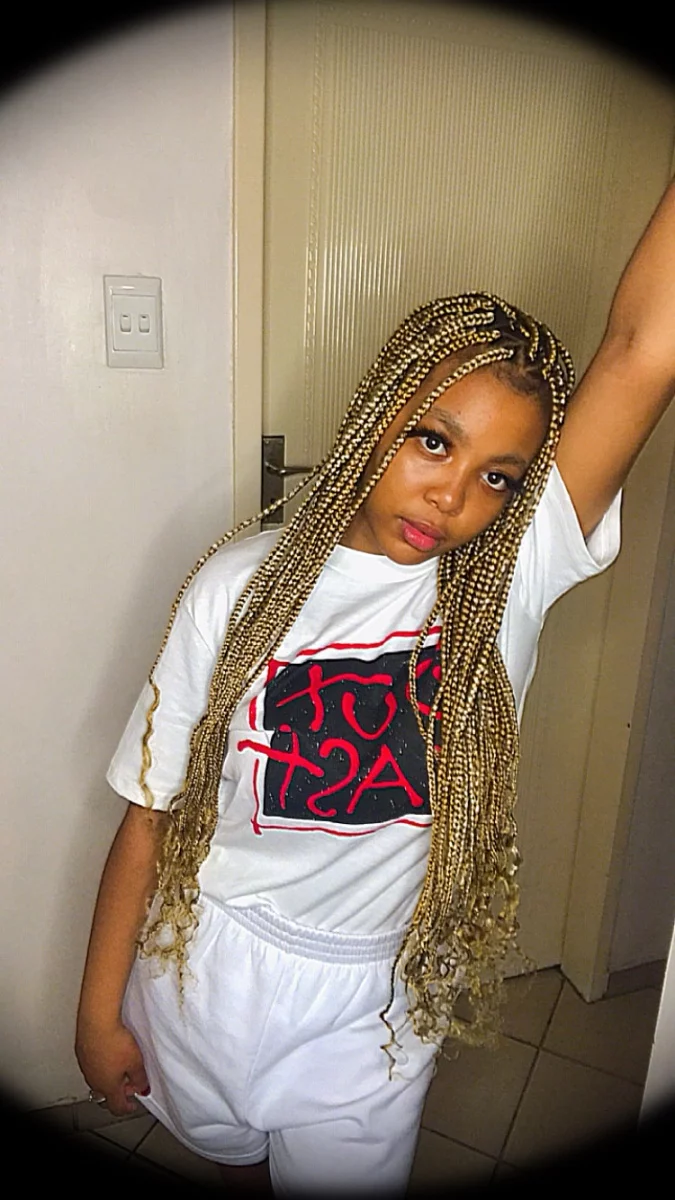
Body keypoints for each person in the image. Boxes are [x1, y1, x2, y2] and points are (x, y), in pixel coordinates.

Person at [76, 180, 675, 1196]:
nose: (452, 494)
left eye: (498, 476)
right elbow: (150, 815)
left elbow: (641, 350)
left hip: (374, 1004)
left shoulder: (505, 579)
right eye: (433, 440)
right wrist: (96, 1016)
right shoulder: (239, 588)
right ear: (375, 417)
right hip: (203, 967)